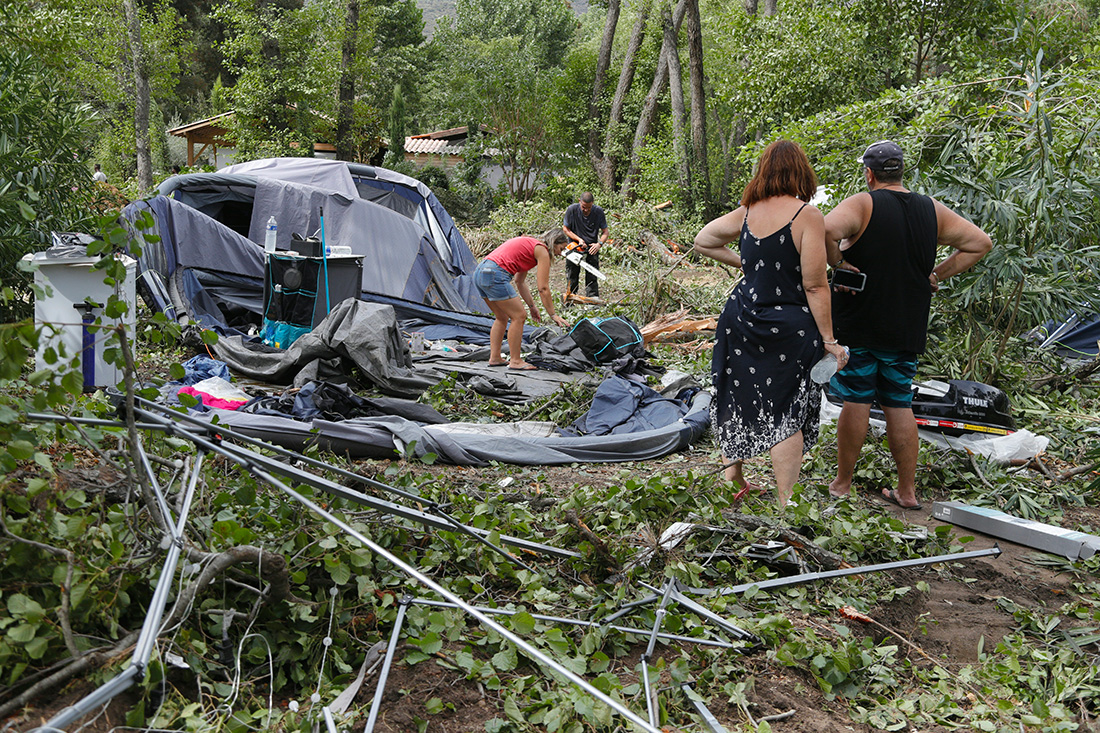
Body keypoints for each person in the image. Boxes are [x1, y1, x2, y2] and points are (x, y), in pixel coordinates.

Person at [824, 140, 992, 509]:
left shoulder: (862, 204)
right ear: (902, 171)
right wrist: (937, 274)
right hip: (906, 323)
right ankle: (907, 491)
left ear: (869, 174)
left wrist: (840, 263)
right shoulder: (931, 209)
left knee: (856, 398)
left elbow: (824, 231)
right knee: (899, 402)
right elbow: (980, 242)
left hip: (860, 322)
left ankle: (842, 483)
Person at [694, 140, 847, 507]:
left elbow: (704, 240)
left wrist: (750, 265)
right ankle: (785, 500)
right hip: (789, 326)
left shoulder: (747, 212)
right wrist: (829, 339)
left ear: (763, 171)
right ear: (801, 173)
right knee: (786, 409)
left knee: (735, 395)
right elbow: (815, 284)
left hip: (741, 318)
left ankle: (733, 481)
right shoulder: (807, 215)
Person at [474, 229, 571, 370]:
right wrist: (553, 314)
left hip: (480, 272)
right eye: (560, 249)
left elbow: (520, 282)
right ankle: (515, 361)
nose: (560, 254)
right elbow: (543, 288)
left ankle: (495, 358)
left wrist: (532, 307)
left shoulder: (530, 245)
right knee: (519, 316)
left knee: (501, 317)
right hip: (495, 274)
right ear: (553, 243)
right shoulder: (542, 250)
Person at [562, 192, 609, 300]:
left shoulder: (598, 211)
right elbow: (566, 229)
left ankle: (592, 299)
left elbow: (605, 232)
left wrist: (599, 244)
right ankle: (570, 298)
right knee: (572, 275)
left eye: (589, 207)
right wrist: (578, 239)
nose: (586, 210)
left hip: (592, 247)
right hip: (575, 246)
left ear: (592, 203)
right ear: (579, 201)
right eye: (584, 207)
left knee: (592, 275)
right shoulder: (572, 210)